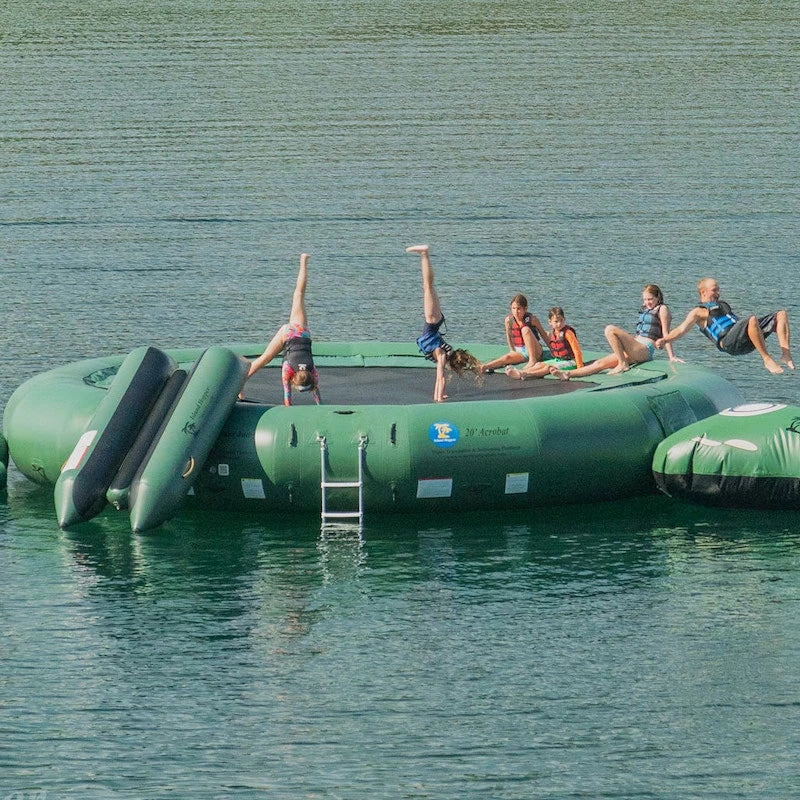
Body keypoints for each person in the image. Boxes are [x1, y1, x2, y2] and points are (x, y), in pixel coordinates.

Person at [655, 278, 794, 374]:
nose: (718, 293)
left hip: (746, 338)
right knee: (751, 320)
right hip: (729, 342)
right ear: (703, 292)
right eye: (714, 290)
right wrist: (665, 340)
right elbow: (681, 329)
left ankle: (786, 354)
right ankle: (767, 359)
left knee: (780, 315)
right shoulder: (698, 312)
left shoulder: (722, 305)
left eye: (718, 290)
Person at [550, 284, 680, 380]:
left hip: (645, 349)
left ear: (658, 297)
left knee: (610, 329)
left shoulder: (662, 309)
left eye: (650, 299)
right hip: (635, 347)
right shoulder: (646, 309)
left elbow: (666, 334)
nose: (647, 303)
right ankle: (567, 374)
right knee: (600, 363)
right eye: (645, 300)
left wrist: (671, 356)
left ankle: (622, 364)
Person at [243, 252, 321, 405]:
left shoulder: (312, 372)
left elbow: (315, 390)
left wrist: (320, 405)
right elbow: (288, 397)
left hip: (302, 331)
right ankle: (239, 383)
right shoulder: (289, 371)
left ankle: (304, 261)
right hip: (290, 332)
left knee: (299, 294)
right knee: (264, 358)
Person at [407, 244, 479, 402]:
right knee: (427, 286)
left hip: (435, 321)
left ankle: (424, 255)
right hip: (432, 321)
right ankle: (424, 254)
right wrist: (437, 397)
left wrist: (441, 394)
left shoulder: (443, 354)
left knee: (428, 286)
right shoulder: (441, 355)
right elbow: (440, 378)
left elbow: (441, 378)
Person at [506, 306, 585, 380]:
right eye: (556, 321)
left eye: (561, 320)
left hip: (570, 362)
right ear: (550, 322)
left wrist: (580, 368)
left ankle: (525, 374)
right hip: (558, 360)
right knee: (538, 364)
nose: (559, 324)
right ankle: (520, 371)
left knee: (549, 368)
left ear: (564, 319)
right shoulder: (553, 333)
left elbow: (576, 350)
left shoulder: (568, 333)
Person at [478, 294, 549, 373]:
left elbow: (544, 335)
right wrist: (512, 350)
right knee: (507, 358)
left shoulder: (532, 319)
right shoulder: (508, 320)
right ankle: (486, 366)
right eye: (513, 308)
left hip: (536, 351)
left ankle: (532, 360)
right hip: (521, 351)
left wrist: (553, 350)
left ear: (525, 309)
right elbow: (508, 335)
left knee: (525, 330)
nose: (516, 312)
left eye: (519, 309)